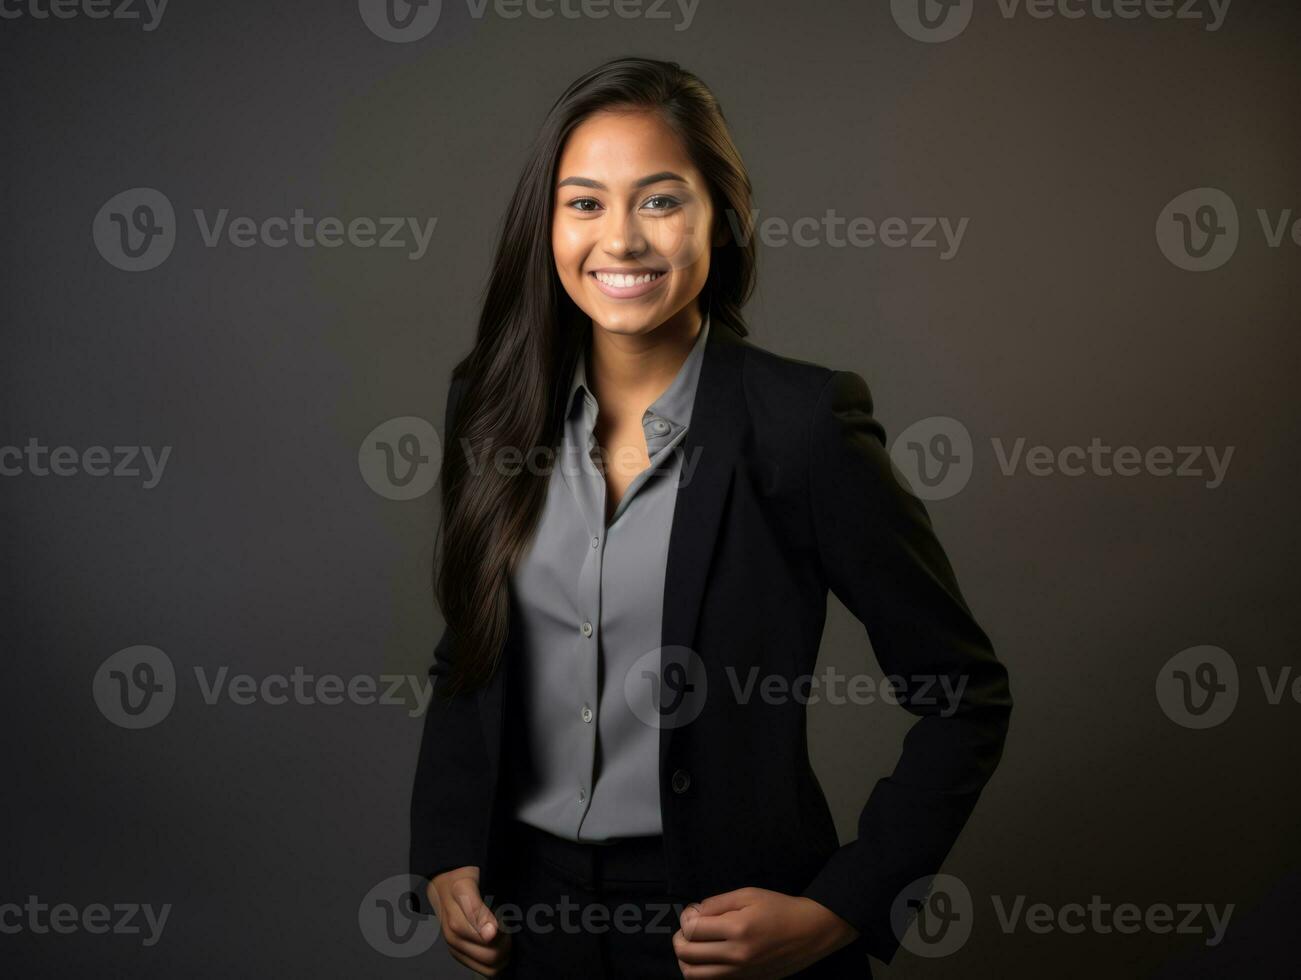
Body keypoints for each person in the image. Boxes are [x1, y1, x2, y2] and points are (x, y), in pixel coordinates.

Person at [409, 56, 1013, 979]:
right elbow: (470, 651)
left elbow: (962, 696)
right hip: (529, 928)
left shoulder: (802, 427)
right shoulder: (487, 410)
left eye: (659, 200)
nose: (621, 239)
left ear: (722, 220)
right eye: (583, 203)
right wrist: (450, 845)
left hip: (726, 937)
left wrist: (838, 908)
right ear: (545, 225)